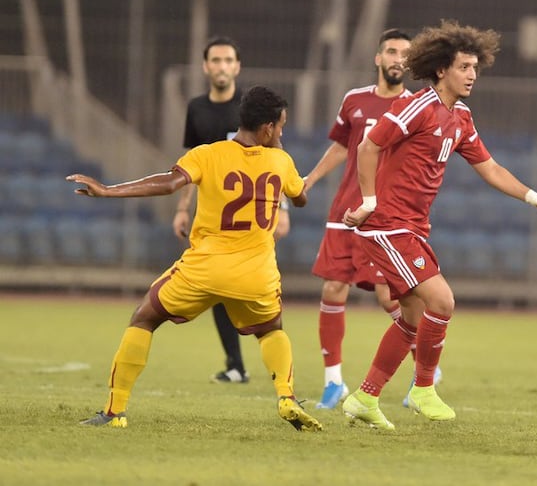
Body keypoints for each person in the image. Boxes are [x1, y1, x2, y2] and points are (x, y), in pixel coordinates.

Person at [340, 20, 537, 430]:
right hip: (387, 225)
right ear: (442, 69)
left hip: (412, 227)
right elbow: (368, 144)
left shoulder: (460, 116)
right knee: (442, 302)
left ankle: (364, 397)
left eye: (475, 68)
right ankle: (422, 388)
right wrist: (369, 201)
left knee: (411, 317)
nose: (472, 75)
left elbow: (491, 168)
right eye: (465, 67)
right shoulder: (418, 106)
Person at [70, 86, 322, 431]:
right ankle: (286, 397)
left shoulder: (208, 154)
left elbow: (169, 183)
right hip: (256, 274)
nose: (281, 132)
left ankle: (114, 412)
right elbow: (302, 197)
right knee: (271, 330)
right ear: (267, 129)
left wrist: (109, 190)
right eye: (280, 126)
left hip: (204, 269)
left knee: (144, 318)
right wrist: (278, 151)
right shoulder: (281, 161)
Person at [303, 29, 441, 409]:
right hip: (344, 211)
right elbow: (341, 146)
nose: (398, 58)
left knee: (390, 297)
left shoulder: (417, 106)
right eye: (392, 51)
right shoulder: (354, 100)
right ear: (378, 58)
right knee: (332, 289)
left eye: (405, 54)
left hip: (383, 217)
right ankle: (334, 383)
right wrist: (310, 179)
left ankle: (421, 376)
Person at [173, 36, 290, 384]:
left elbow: (276, 160)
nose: (222, 66)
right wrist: (182, 209)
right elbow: (190, 166)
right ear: (205, 66)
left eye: (228, 60)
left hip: (252, 216)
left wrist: (282, 209)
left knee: (256, 293)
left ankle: (277, 371)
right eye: (216, 60)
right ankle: (236, 365)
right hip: (213, 217)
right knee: (217, 291)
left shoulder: (250, 109)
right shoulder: (196, 109)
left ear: (237, 67)